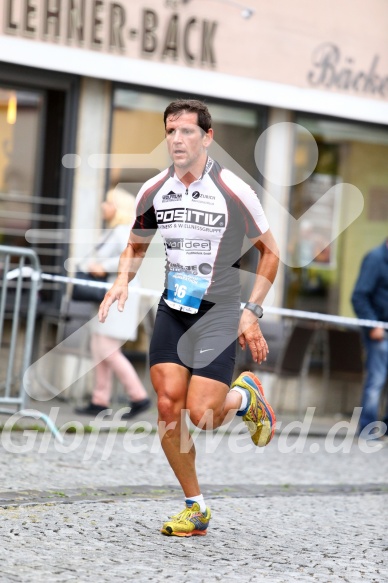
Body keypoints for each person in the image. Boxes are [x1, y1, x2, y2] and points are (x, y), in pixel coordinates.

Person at [99, 99, 279, 536]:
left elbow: (271, 253)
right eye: (171, 131)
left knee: (203, 413)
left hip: (218, 313)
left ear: (207, 137)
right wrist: (122, 278)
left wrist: (251, 312)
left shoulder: (234, 189)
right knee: (166, 404)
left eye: (187, 131)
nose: (177, 139)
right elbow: (136, 244)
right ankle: (194, 507)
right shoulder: (154, 190)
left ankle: (244, 399)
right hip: (172, 308)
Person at [76, 187, 151, 419]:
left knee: (107, 349)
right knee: (99, 347)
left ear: (117, 208)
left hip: (120, 296)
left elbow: (132, 259)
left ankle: (139, 396)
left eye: (108, 203)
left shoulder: (121, 232)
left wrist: (102, 267)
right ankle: (100, 399)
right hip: (110, 295)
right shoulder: (117, 231)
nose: (103, 206)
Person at [351, 239, 388, 437]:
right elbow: (359, 296)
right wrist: (373, 324)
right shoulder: (375, 259)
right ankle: (367, 428)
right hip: (380, 333)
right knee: (376, 381)